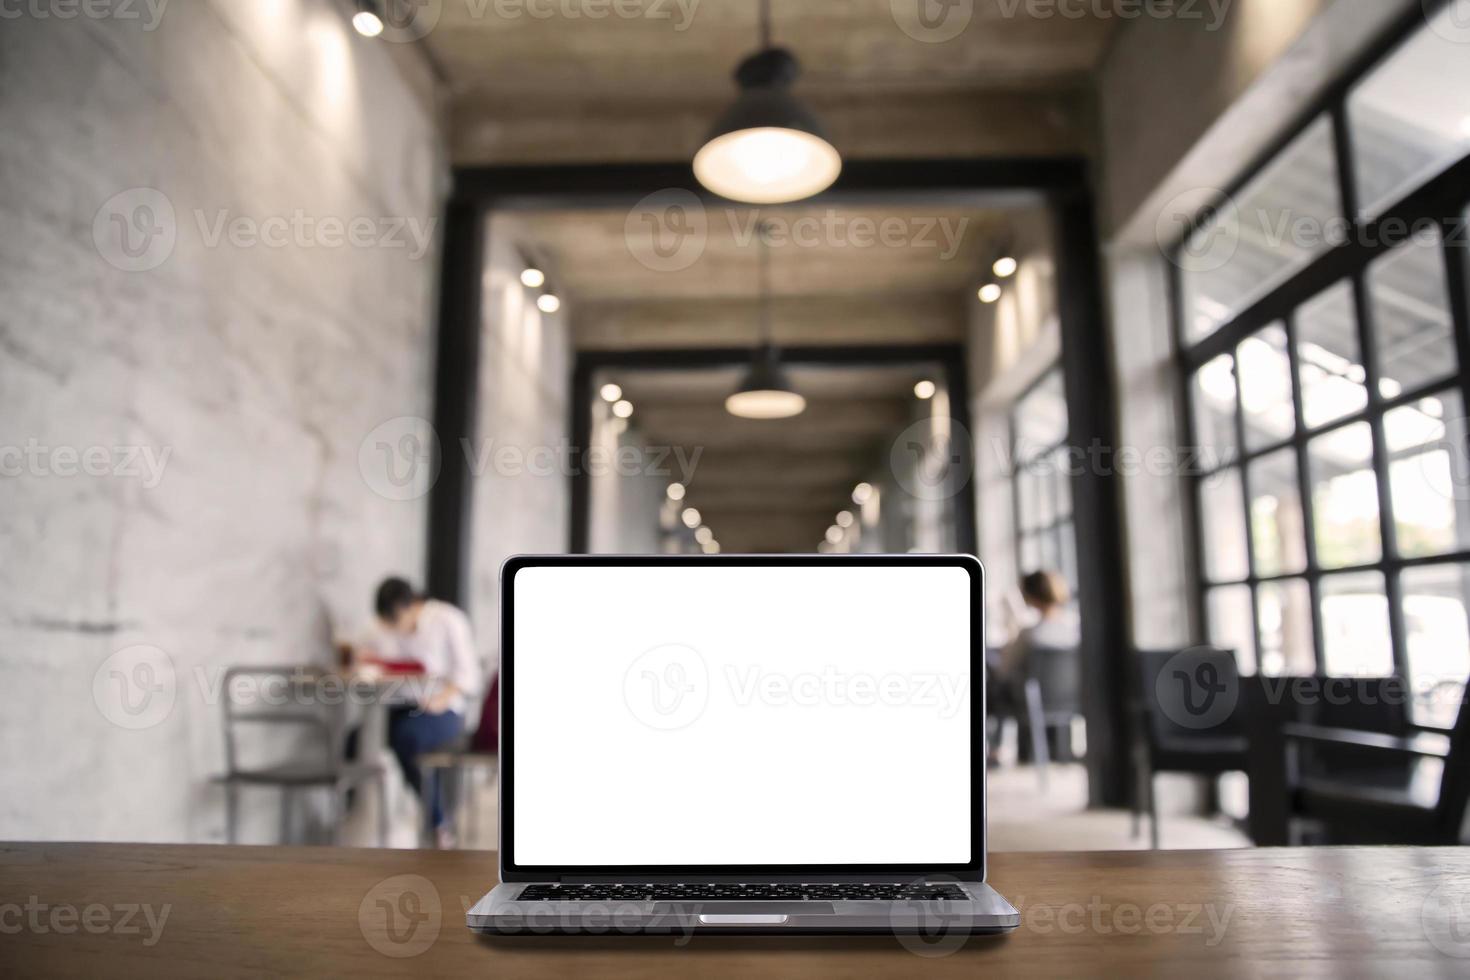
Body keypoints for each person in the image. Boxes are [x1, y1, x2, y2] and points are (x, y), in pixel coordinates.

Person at [357, 577, 482, 848]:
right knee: (359, 738)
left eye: (396, 619)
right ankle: (373, 819)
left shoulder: (447, 619)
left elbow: (469, 676)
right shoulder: (381, 626)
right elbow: (364, 654)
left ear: (410, 604)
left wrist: (441, 699)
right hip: (400, 705)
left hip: (444, 708)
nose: (394, 627)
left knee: (406, 738)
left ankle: (437, 820)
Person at [998, 570, 1079, 687]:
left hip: (1036, 703)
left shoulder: (1029, 635)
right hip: (1077, 700)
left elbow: (1003, 671)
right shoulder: (1077, 626)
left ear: (1029, 597)